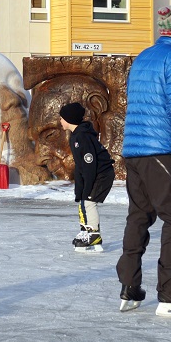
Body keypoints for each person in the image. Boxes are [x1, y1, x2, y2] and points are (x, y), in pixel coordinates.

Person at [116, 5, 171, 318]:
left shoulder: (143, 57)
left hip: (134, 151)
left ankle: (130, 286)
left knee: (139, 216)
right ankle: (170, 291)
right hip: (160, 151)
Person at [60, 102, 114, 253]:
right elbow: (80, 166)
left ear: (69, 119)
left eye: (62, 118)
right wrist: (80, 189)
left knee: (89, 201)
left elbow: (89, 163)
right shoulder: (76, 136)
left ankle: (94, 235)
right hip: (94, 173)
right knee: (84, 201)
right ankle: (86, 231)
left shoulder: (82, 137)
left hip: (101, 174)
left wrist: (87, 187)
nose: (60, 121)